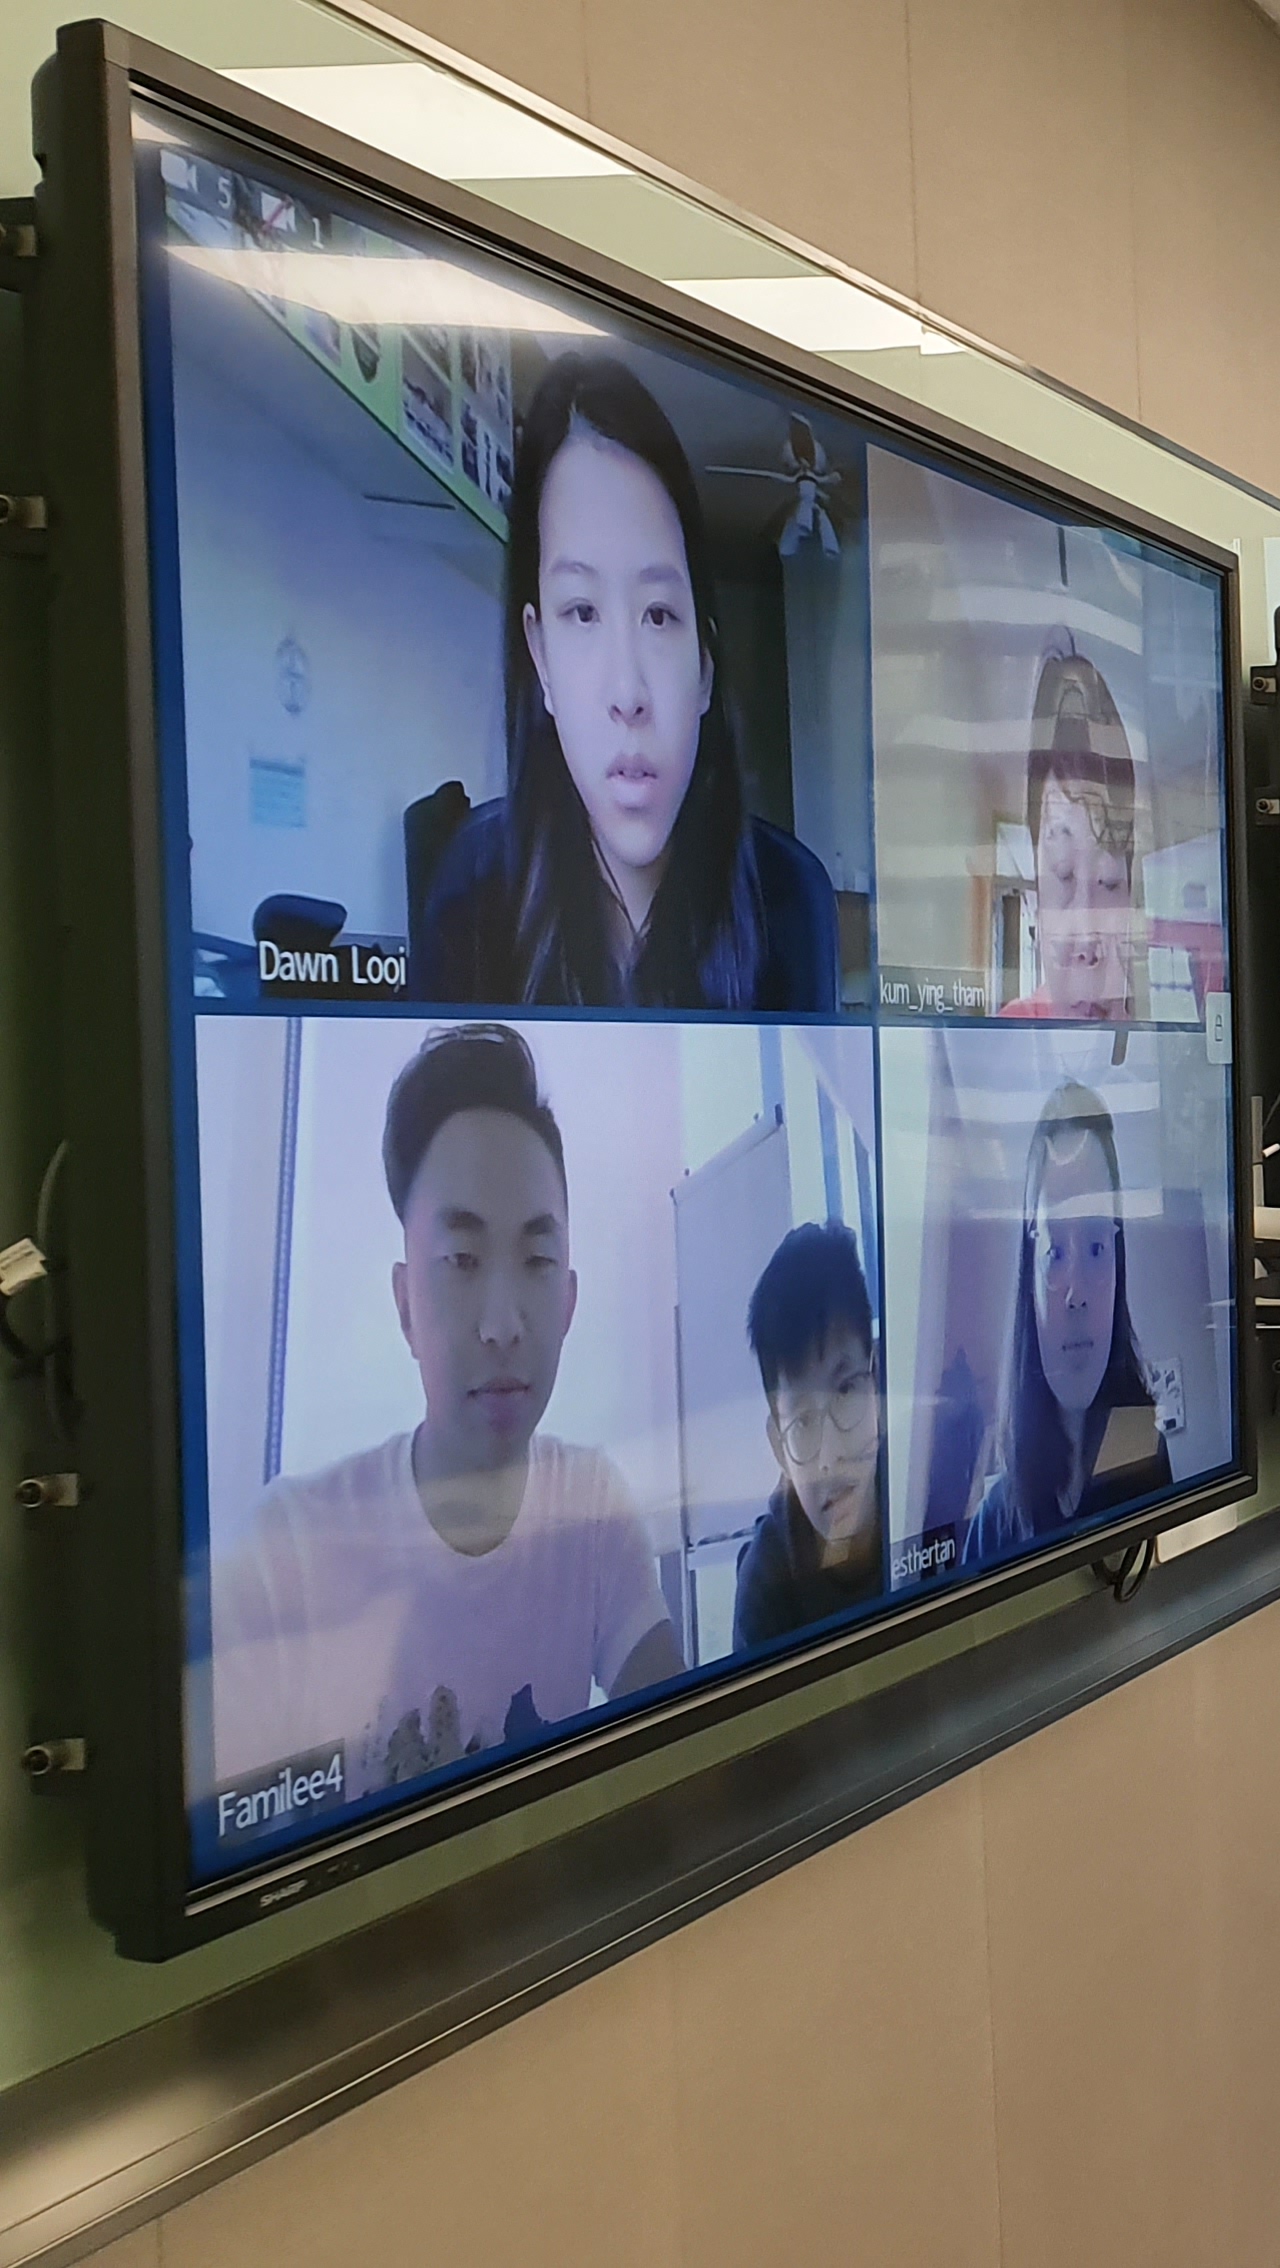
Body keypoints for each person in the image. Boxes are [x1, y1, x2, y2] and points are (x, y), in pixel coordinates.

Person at [207, 1025, 678, 1816]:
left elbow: (681, 1751)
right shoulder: (284, 1551)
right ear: (405, 1305)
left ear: (568, 1301)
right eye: (461, 1260)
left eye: (536, 1261)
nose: (502, 1326)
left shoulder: (592, 1507)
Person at [413, 352, 837, 1010]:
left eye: (659, 615)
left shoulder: (789, 897)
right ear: (540, 659)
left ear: (704, 668)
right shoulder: (472, 888)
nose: (629, 694)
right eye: (583, 612)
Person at [956, 1081, 1168, 1568]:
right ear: (1028, 1276)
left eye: (1095, 1247)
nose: (1076, 1294)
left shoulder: (1145, 1456)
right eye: (1054, 1252)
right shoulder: (992, 1531)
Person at [727, 1220, 885, 1649]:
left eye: (845, 1391)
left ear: (877, 1384)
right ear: (779, 1448)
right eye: (803, 1424)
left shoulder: (925, 1497)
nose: (830, 1457)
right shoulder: (766, 1586)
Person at [998, 649, 1148, 1022]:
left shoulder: (1158, 1043)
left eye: (1109, 882)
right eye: (1063, 874)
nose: (1086, 937)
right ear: (1035, 903)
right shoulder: (1009, 1036)